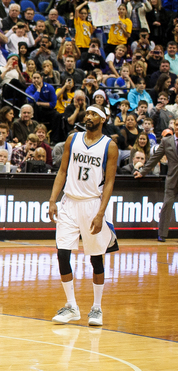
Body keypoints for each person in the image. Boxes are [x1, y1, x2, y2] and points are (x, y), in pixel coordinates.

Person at [48, 105, 119, 327]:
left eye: (93, 114)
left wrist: (100, 213)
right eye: (87, 113)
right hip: (69, 202)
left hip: (92, 204)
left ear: (103, 119)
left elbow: (109, 182)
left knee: (96, 259)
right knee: (62, 254)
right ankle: (71, 306)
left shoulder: (110, 146)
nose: (88, 117)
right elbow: (62, 170)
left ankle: (96, 308)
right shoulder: (73, 139)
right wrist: (53, 199)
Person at [134, 133, 178, 241]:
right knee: (167, 205)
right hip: (172, 179)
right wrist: (143, 172)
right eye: (176, 124)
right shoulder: (167, 141)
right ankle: (162, 234)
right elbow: (155, 157)